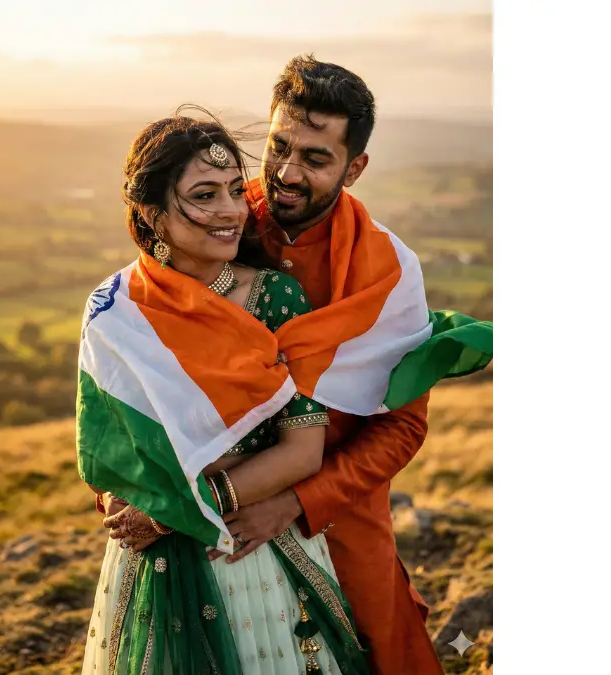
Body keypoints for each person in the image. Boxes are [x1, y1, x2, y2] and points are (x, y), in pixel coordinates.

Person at [105, 55, 484, 674]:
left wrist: (298, 501)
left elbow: (403, 426)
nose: (284, 171)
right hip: (202, 517)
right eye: (279, 145)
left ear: (354, 168)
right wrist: (134, 492)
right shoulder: (221, 219)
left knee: (380, 654)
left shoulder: (387, 273)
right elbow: (145, 358)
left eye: (315, 158)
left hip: (334, 513)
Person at [78, 112, 370, 675]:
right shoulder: (117, 312)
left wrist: (173, 508)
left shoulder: (275, 299)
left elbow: (303, 451)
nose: (233, 211)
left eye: (238, 190)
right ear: (151, 212)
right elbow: (110, 455)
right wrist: (138, 498)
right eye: (204, 195)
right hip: (153, 559)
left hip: (248, 548)